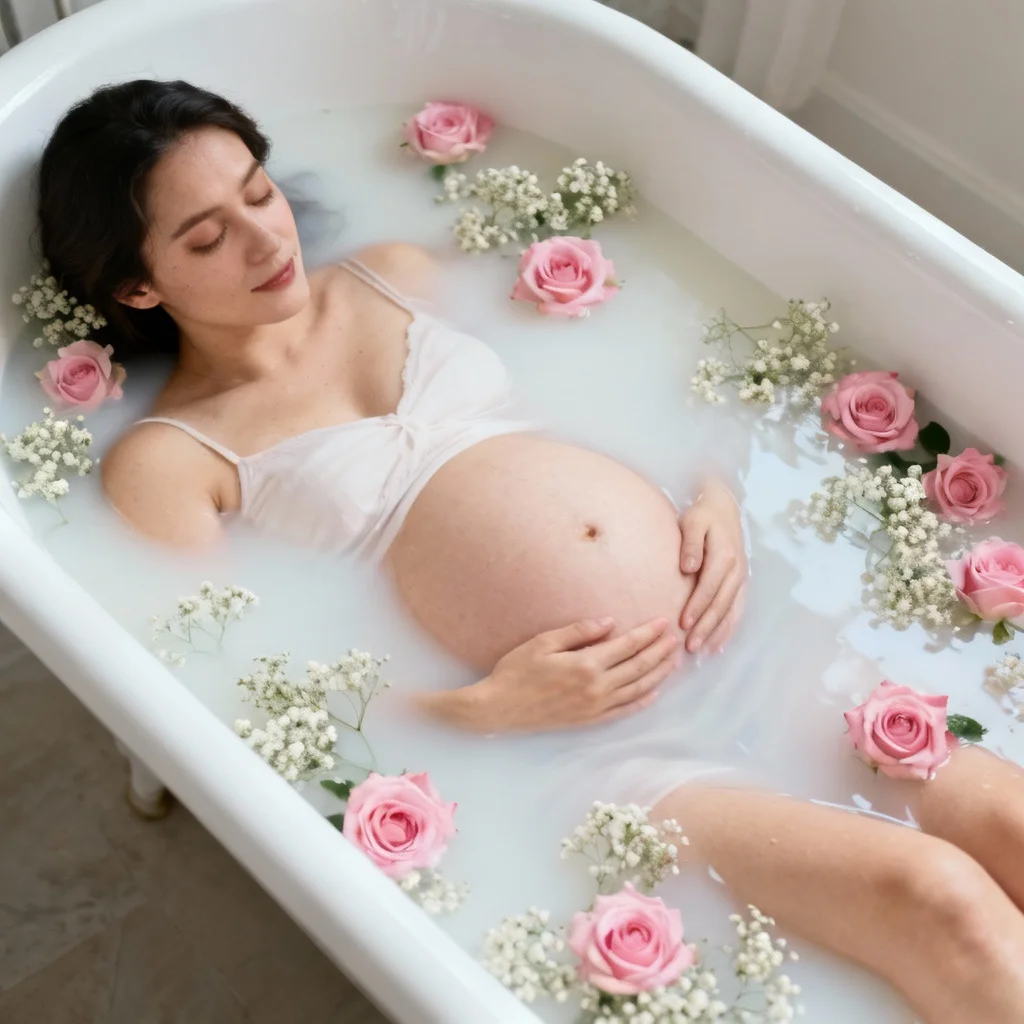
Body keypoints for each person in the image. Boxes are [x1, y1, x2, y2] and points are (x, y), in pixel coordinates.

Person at [37, 80, 1024, 1023]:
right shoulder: (170, 459)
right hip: (591, 747)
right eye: (207, 236)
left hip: (740, 629)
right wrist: (474, 709)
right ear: (137, 282)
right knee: (934, 895)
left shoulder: (395, 271)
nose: (264, 237)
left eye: (259, 190)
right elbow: (229, 700)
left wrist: (712, 493)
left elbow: (604, 389)